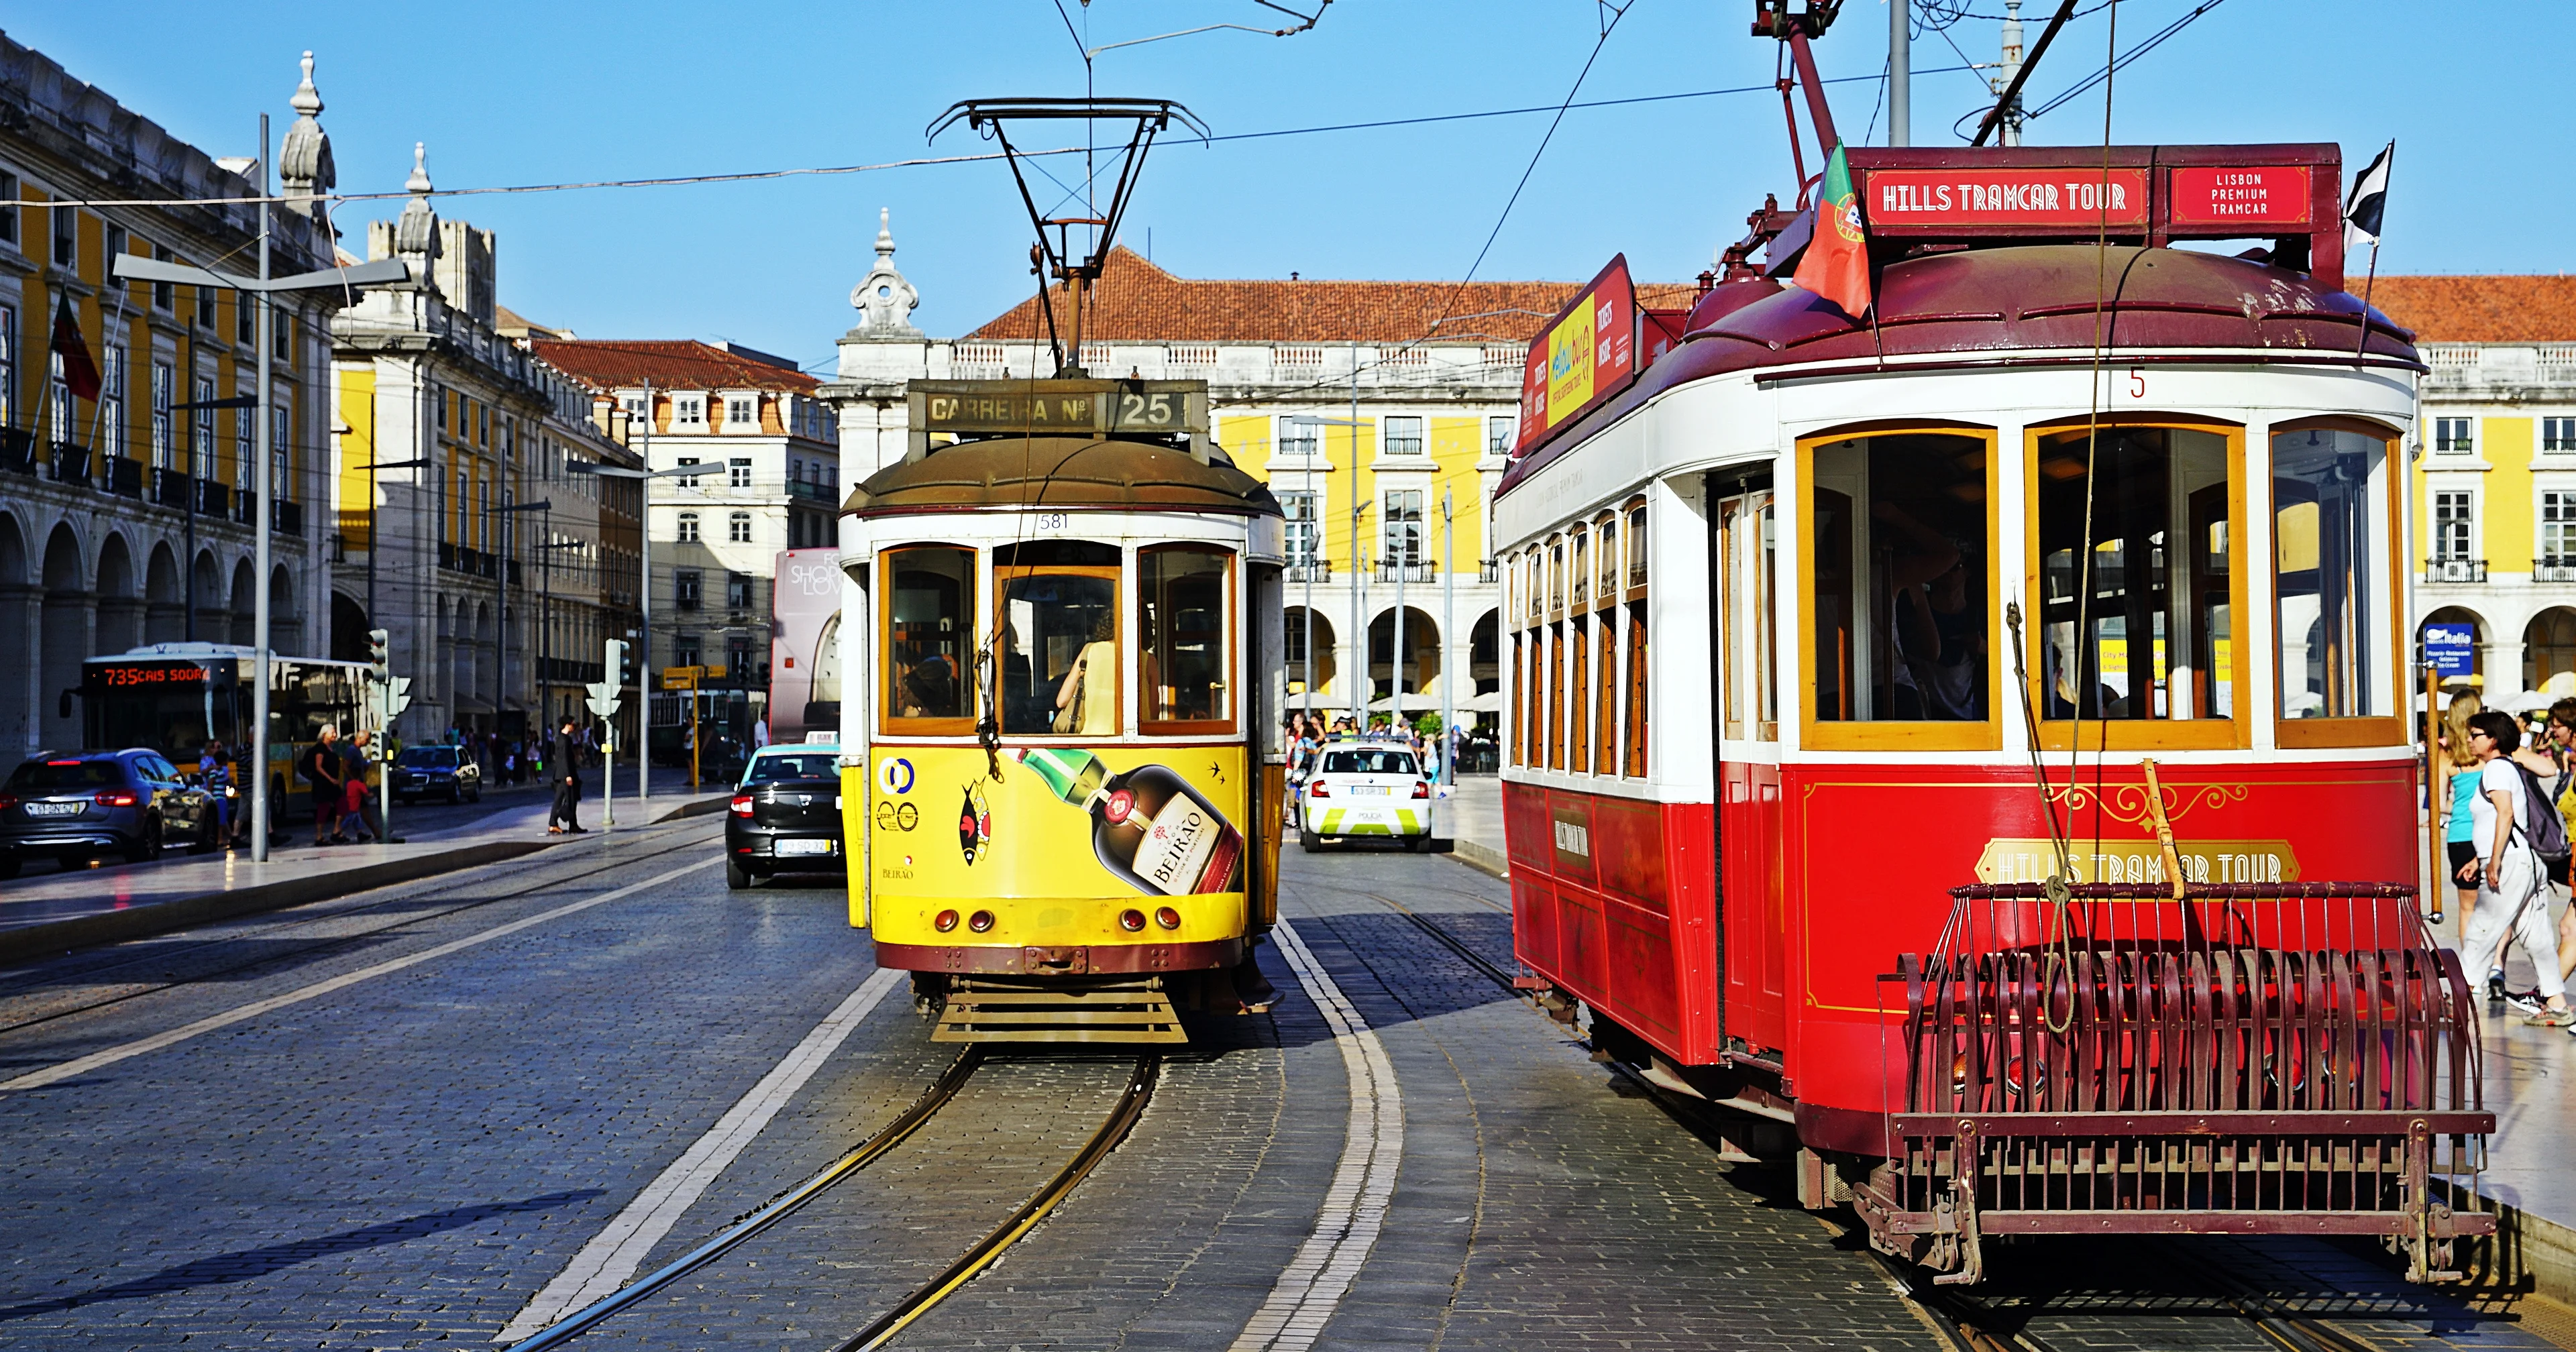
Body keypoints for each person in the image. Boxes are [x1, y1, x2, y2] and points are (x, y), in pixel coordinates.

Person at [2456, 711, 2571, 1025]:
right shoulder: (2506, 768)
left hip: (2510, 863)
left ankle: (2455, 999)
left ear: (2493, 740)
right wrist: (2478, 858)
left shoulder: (2495, 768)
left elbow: (2505, 815)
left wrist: (2492, 861)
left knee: (2483, 926)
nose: (2469, 739)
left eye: (2475, 734)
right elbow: (2500, 821)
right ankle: (2559, 1005)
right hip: (2525, 861)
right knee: (2537, 937)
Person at [2438, 691, 2484, 932]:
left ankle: (2470, 965)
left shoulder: (2446, 756)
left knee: (2467, 907)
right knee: (2497, 905)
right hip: (2492, 834)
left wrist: (2461, 807)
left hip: (2461, 835)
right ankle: (2495, 963)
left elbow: (2438, 804)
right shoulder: (2488, 750)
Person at [1054, 612, 1116, 734]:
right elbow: (1153, 713)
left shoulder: (1090, 651)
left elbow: (1062, 700)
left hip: (1091, 740)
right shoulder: (1148, 661)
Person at [301, 724, 345, 846]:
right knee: (323, 809)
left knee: (342, 805)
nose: (335, 735)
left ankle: (336, 830)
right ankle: (319, 837)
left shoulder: (330, 748)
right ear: (324, 734)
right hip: (323, 784)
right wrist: (330, 779)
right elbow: (318, 766)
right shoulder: (320, 748)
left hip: (333, 784)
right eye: (333, 732)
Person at [339, 731, 385, 844]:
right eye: (367, 739)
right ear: (360, 738)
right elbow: (345, 767)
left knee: (355, 811)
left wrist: (366, 767)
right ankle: (338, 831)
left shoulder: (357, 751)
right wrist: (354, 780)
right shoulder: (352, 750)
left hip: (356, 786)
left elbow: (359, 769)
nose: (368, 742)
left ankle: (360, 833)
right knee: (359, 810)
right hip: (353, 787)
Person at [547, 718, 586, 834]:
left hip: (561, 774)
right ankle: (569, 824)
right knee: (570, 800)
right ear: (567, 725)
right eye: (573, 725)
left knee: (559, 799)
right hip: (566, 775)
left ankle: (554, 823)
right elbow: (564, 758)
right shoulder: (565, 740)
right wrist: (568, 775)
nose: (574, 727)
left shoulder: (560, 739)